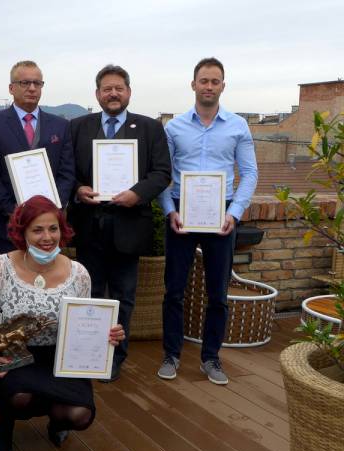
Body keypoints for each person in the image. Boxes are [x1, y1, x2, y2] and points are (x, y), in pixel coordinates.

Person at [0, 195, 125, 451]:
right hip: (10, 349)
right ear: (22, 232)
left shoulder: (79, 273)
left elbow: (84, 321)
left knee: (79, 415)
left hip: (60, 356)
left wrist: (107, 335)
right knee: (20, 398)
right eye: (37, 230)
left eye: (53, 228)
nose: (47, 237)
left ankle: (56, 420)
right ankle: (6, 423)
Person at [157, 57, 258, 385]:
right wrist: (169, 211)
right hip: (181, 213)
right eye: (204, 80)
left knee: (218, 293)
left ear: (223, 86)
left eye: (215, 81)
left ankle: (211, 358)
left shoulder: (238, 126)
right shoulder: (174, 127)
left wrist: (234, 213)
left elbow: (250, 173)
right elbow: (162, 175)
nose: (209, 86)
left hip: (221, 215)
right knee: (174, 289)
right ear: (194, 84)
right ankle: (171, 354)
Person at [69, 64, 171, 382]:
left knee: (123, 298)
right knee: (89, 294)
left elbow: (162, 173)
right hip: (89, 226)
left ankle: (114, 357)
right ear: (97, 94)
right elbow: (67, 171)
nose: (113, 94)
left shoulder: (150, 128)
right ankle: (88, 354)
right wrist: (78, 189)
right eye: (107, 89)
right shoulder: (78, 127)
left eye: (119, 88)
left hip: (129, 226)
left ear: (128, 92)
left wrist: (137, 194)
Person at [0, 60, 76, 255]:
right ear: (11, 88)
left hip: (48, 229)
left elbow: (66, 173)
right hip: (7, 225)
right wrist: (14, 211)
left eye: (37, 83)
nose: (32, 88)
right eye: (25, 83)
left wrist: (52, 210)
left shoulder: (61, 125)